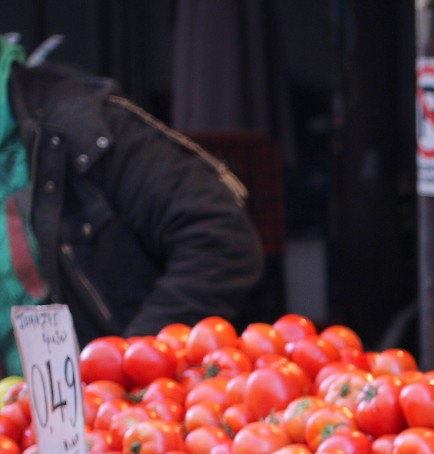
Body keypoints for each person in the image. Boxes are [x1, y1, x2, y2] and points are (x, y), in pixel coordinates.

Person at [0, 38, 262, 371]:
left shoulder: (80, 123)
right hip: (18, 413)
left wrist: (131, 363)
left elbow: (222, 239)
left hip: (124, 408)